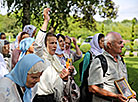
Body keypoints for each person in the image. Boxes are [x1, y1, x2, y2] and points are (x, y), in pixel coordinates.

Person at [33, 8, 73, 102]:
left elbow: (58, 80)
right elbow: (38, 44)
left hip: (54, 96)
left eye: (56, 43)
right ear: (45, 44)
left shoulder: (55, 58)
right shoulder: (41, 56)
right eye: (51, 43)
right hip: (41, 97)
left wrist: (65, 77)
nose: (55, 46)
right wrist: (46, 21)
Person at [88, 32, 137, 102]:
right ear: (109, 45)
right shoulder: (99, 61)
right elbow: (92, 88)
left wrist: (130, 92)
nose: (123, 46)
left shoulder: (120, 60)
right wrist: (115, 96)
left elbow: (122, 83)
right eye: (120, 43)